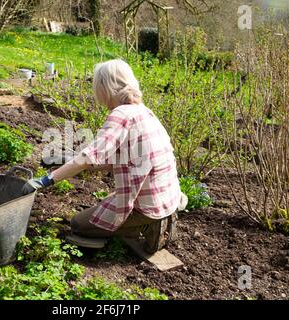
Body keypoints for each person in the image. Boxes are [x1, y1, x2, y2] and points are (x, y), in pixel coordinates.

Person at [25, 59, 187, 254]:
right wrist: (71, 163)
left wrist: (46, 180)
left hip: (148, 207)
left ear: (104, 88)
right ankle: (156, 219)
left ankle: (143, 226)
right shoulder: (145, 111)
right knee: (107, 202)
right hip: (167, 196)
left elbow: (89, 158)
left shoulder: (121, 115)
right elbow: (116, 159)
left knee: (78, 224)